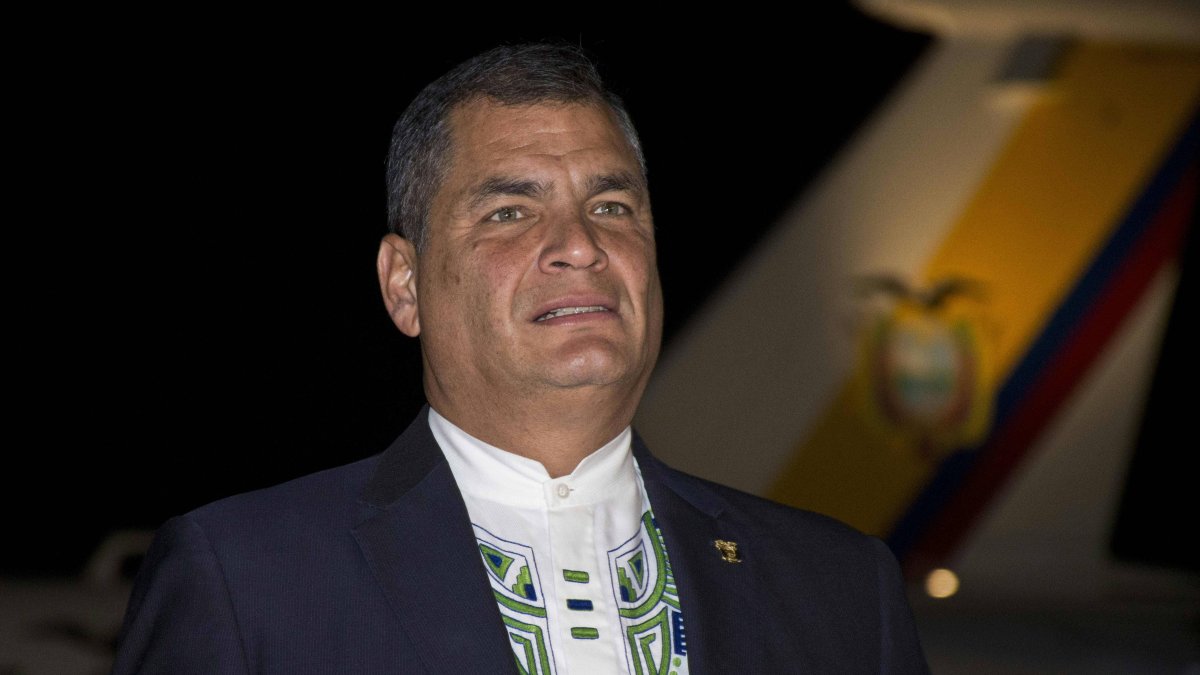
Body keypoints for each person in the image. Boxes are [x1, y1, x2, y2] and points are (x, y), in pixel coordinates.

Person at [113, 43, 930, 674]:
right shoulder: (245, 578)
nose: (581, 245)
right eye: (509, 211)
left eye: (612, 206)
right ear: (404, 285)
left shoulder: (842, 588)